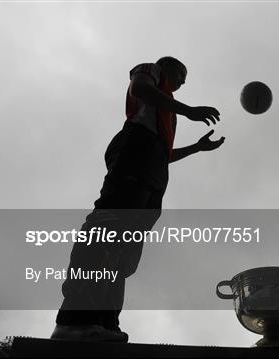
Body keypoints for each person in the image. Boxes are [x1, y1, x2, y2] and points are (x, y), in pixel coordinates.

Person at [51, 56, 224, 342]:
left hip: (153, 167)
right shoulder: (151, 73)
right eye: (182, 74)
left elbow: (165, 155)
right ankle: (73, 320)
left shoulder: (167, 113)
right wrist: (190, 110)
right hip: (136, 151)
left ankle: (103, 322)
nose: (183, 81)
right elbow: (140, 89)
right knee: (106, 231)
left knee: (122, 253)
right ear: (167, 67)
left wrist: (197, 147)